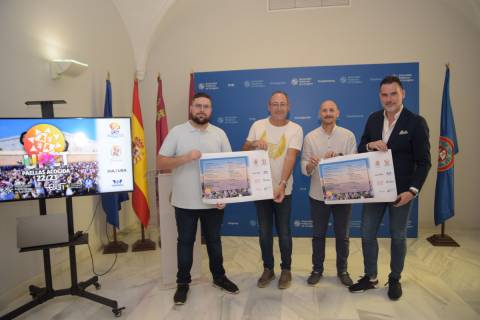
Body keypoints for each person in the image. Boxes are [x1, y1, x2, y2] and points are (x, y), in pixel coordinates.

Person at [348, 76, 431, 300]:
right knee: (366, 234)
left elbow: (424, 162)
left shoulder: (415, 122)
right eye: (384, 95)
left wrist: (412, 191)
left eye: (393, 93)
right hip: (374, 189)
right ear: (379, 97)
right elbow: (360, 146)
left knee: (398, 237)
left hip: (401, 193)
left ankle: (394, 278)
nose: (389, 99)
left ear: (403, 93)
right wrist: (369, 145)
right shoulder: (374, 119)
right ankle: (371, 277)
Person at [157, 92, 239, 305]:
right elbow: (161, 163)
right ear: (191, 108)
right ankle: (182, 283)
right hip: (184, 202)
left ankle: (219, 278)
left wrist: (225, 195)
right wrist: (185, 158)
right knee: (185, 242)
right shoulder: (177, 132)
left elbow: (229, 167)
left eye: (206, 106)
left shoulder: (219, 133)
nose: (202, 110)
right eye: (198, 106)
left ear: (211, 110)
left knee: (214, 241)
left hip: (213, 202)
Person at [242, 91, 303, 289]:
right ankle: (268, 268)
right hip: (260, 189)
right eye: (275, 104)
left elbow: (291, 157)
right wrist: (252, 144)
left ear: (289, 106)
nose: (278, 107)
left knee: (284, 232)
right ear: (269, 106)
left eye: (282, 104)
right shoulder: (257, 126)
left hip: (283, 189)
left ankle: (286, 270)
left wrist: (282, 184)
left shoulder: (296, 129)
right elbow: (243, 152)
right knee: (264, 231)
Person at [301, 100, 357, 287]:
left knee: (343, 235)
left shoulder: (348, 136)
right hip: (318, 195)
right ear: (319, 114)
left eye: (331, 110)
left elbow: (353, 164)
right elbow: (303, 166)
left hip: (342, 194)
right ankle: (317, 269)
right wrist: (311, 165)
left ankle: (343, 270)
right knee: (318, 235)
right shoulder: (310, 137)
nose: (328, 113)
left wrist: (339, 158)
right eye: (324, 110)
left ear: (338, 113)